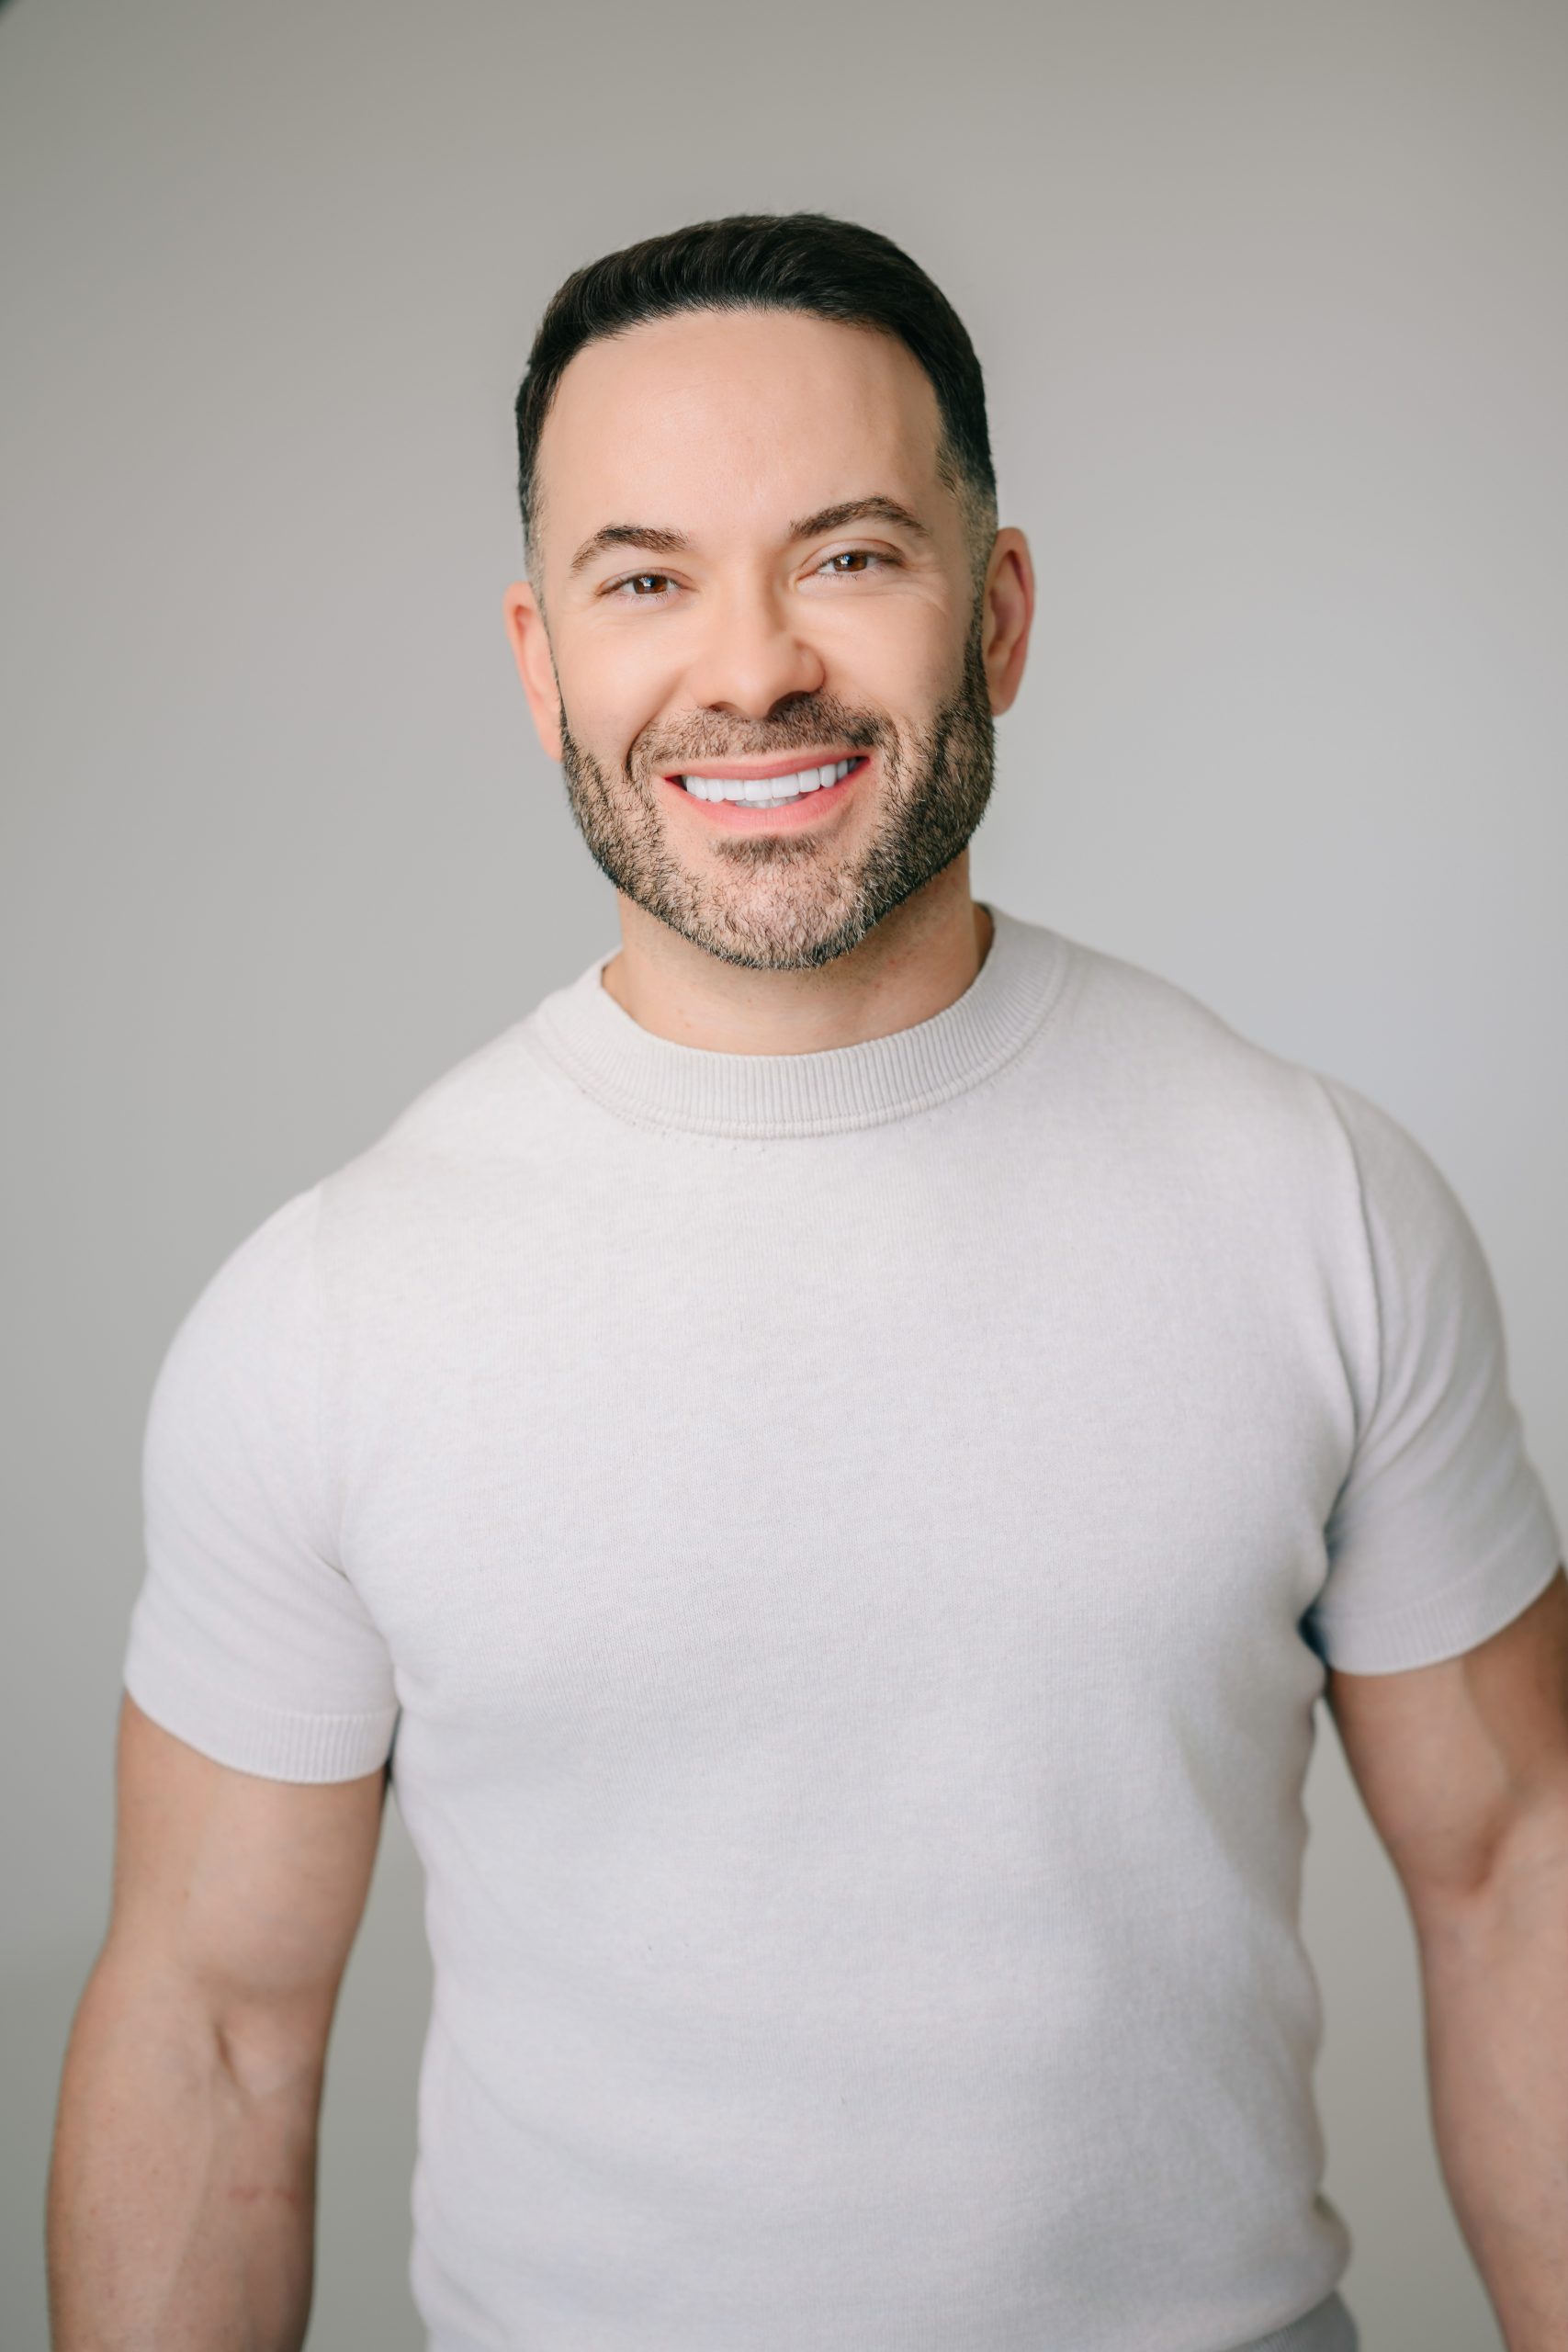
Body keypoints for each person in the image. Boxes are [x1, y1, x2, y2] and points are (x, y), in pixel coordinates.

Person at [47, 212, 1567, 2352]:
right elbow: (211, 2025)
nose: (746, 664)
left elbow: (1516, 1875)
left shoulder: (1311, 1200)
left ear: (999, 607)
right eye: (643, 577)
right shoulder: (329, 1311)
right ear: (536, 657)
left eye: (845, 553)